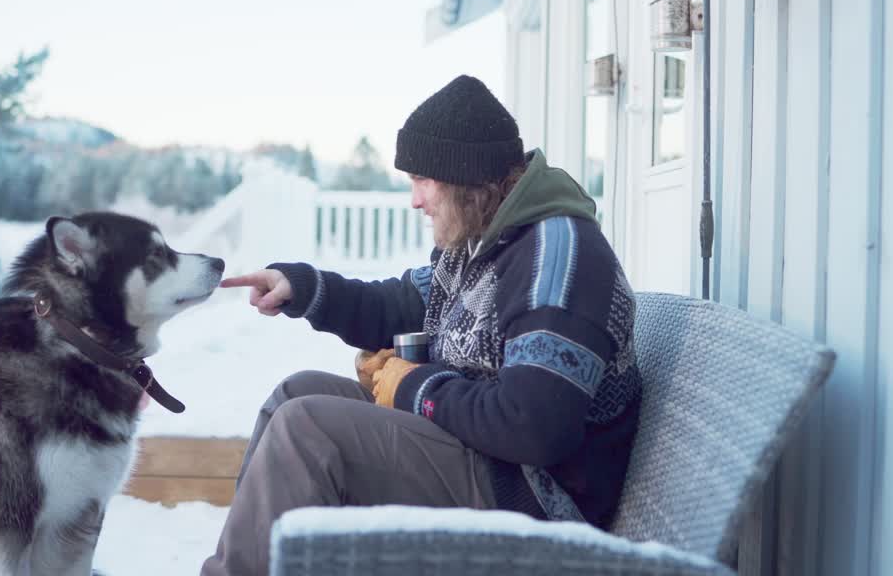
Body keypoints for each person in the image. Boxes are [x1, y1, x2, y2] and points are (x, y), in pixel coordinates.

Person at [200, 75, 641, 576]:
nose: (415, 200)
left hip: (534, 495)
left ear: (466, 180)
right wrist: (302, 287)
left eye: (422, 180)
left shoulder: (556, 263)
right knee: (294, 395)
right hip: (485, 455)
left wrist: (413, 386)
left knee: (308, 430)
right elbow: (398, 305)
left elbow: (533, 428)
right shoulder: (482, 241)